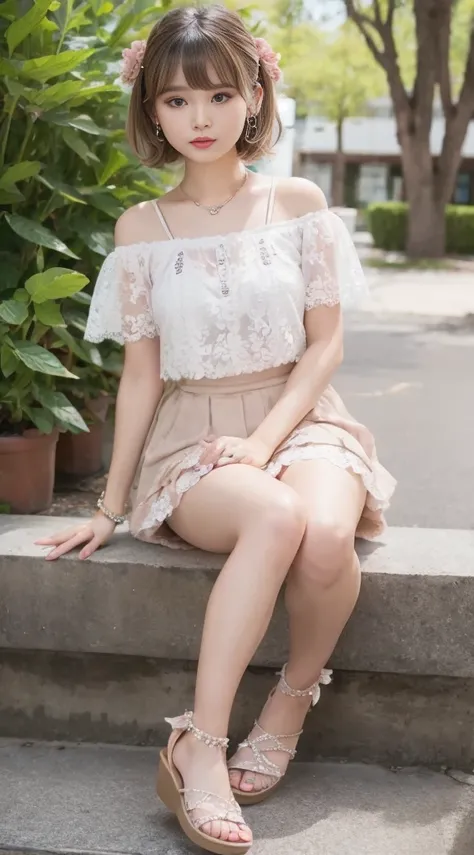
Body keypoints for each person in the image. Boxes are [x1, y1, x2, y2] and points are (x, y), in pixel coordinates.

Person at [35, 5, 396, 854]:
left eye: (218, 94)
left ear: (255, 94)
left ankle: (291, 699)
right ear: (151, 111)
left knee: (325, 531)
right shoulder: (141, 231)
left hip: (300, 416)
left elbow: (326, 345)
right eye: (174, 101)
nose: (199, 119)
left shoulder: (298, 202)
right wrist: (109, 503)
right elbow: (142, 375)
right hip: (191, 431)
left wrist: (267, 441)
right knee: (274, 516)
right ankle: (197, 744)